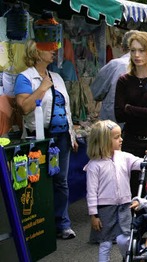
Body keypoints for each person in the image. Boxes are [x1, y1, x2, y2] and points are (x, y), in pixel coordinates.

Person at [14, 37, 78, 239]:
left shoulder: (57, 77)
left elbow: (65, 108)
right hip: (39, 138)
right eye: (48, 48)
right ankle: (39, 226)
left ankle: (62, 224)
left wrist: (72, 135)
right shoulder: (25, 78)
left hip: (62, 138)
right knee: (38, 181)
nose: (54, 50)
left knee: (61, 181)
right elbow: (24, 108)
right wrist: (41, 88)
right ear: (35, 51)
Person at [114, 31, 147, 196]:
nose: (137, 55)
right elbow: (119, 114)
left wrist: (129, 108)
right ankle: (132, 222)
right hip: (131, 140)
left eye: (141, 50)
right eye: (133, 50)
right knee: (130, 188)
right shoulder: (124, 80)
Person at [84, 120, 143, 261]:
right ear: (103, 141)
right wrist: (93, 214)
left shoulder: (124, 157)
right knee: (105, 242)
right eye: (116, 137)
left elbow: (142, 164)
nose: (121, 140)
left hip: (124, 205)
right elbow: (91, 192)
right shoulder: (94, 165)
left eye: (120, 136)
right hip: (105, 208)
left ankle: (128, 258)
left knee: (125, 238)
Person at [90, 30, 138, 125]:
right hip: (137, 126)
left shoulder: (115, 65)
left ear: (122, 46)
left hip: (112, 124)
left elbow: (96, 93)